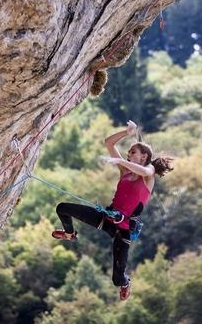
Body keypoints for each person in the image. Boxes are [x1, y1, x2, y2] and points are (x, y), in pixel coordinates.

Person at [52, 120, 174, 300]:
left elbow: (146, 171)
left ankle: (125, 283)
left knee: (117, 279)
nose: (128, 154)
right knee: (62, 208)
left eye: (133, 152)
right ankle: (70, 234)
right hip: (107, 217)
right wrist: (126, 132)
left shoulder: (149, 174)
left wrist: (118, 160)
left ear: (144, 156)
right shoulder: (125, 171)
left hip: (123, 229)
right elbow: (108, 143)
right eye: (128, 152)